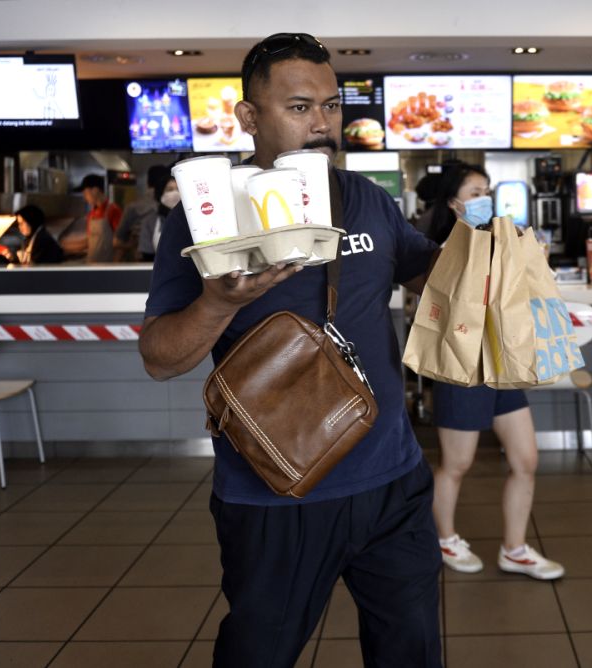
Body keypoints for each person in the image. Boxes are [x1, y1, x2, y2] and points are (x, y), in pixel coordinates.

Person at [138, 33, 442, 668]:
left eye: (331, 106)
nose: (324, 124)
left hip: (393, 478)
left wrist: (494, 252)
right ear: (249, 117)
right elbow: (160, 358)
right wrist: (219, 302)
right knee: (260, 653)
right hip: (276, 489)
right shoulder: (208, 217)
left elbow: (430, 275)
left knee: (411, 649)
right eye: (300, 108)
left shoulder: (368, 199)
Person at [424, 163, 565, 581]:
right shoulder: (444, 249)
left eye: (486, 189)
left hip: (503, 362)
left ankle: (515, 549)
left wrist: (533, 261)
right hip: (464, 366)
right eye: (474, 191)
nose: (484, 197)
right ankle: (444, 539)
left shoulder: (501, 238)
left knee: (526, 459)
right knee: (457, 463)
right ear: (453, 203)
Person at [114, 164, 171, 262]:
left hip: (140, 264)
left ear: (147, 182)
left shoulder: (133, 207)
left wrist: (132, 245)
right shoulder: (174, 208)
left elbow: (116, 242)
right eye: (170, 188)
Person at [75, 173, 122, 263]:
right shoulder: (91, 214)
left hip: (107, 267)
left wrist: (115, 266)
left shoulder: (113, 210)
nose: (85, 198)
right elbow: (89, 241)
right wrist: (67, 246)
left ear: (95, 190)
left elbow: (120, 243)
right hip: (91, 265)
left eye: (85, 193)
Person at [0, 205, 64, 265]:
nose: (19, 227)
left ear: (31, 222)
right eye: (19, 224)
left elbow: (34, 265)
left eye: (21, 223)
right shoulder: (32, 239)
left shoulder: (43, 241)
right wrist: (13, 258)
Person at [139, 176, 179, 262]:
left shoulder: (193, 219)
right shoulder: (150, 221)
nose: (175, 193)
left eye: (178, 189)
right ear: (161, 193)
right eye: (170, 189)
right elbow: (147, 255)